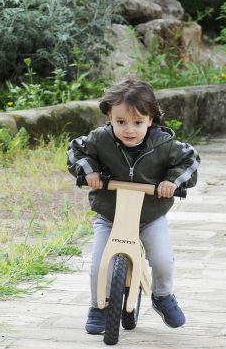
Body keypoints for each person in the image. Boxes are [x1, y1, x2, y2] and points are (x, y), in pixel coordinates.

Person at [67, 79, 200, 334]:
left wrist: (171, 181)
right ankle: (98, 306)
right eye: (121, 122)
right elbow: (76, 151)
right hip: (110, 215)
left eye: (138, 122)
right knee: (99, 265)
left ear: (151, 119)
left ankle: (162, 296)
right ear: (109, 117)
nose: (129, 130)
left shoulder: (163, 144)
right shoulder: (100, 139)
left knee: (162, 260)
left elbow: (190, 160)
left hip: (150, 216)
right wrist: (90, 171)